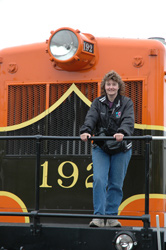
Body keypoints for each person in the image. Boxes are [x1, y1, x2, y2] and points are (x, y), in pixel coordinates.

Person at [80, 70, 134, 227]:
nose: (111, 87)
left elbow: (128, 120)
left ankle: (111, 217)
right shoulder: (97, 102)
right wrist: (86, 131)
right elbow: (91, 118)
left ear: (119, 87)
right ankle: (98, 216)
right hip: (101, 147)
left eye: (114, 84)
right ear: (104, 86)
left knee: (116, 184)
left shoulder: (126, 102)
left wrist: (122, 132)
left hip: (122, 148)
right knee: (98, 179)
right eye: (108, 84)